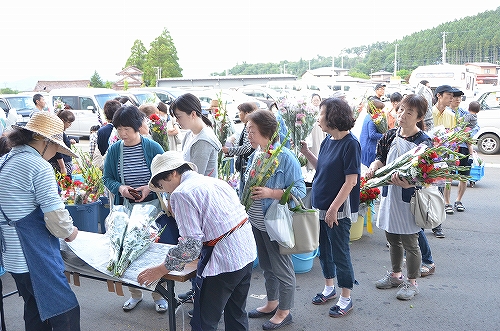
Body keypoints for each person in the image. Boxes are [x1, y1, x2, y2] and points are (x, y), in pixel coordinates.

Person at [138, 151, 257, 331]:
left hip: (223, 262)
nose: (166, 191)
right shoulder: (214, 182)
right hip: (246, 252)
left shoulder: (182, 193)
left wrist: (161, 270)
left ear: (173, 173)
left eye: (163, 185)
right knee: (236, 313)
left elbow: (190, 245)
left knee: (204, 322)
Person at [0, 112, 80, 330]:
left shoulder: (4, 161)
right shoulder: (38, 166)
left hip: (12, 258)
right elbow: (55, 216)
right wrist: (71, 232)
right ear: (45, 141)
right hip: (34, 256)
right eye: (55, 146)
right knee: (65, 310)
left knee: (35, 309)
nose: (55, 153)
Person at [102, 105, 169, 313]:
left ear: (138, 127)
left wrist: (148, 188)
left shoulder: (153, 148)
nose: (123, 134)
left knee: (154, 253)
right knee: (127, 251)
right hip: (128, 209)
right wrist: (121, 188)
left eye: (127, 129)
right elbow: (108, 178)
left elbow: (166, 176)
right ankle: (135, 294)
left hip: (153, 209)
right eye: (119, 129)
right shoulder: (115, 150)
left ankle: (160, 295)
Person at [366, 94, 433, 301]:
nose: (402, 115)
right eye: (401, 110)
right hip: (389, 194)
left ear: (419, 117)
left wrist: (410, 183)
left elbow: (427, 176)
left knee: (410, 243)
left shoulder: (424, 142)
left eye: (409, 112)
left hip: (408, 197)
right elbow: (380, 158)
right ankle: (395, 275)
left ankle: (412, 283)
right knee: (392, 238)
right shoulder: (389, 135)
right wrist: (374, 166)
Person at [244, 110, 306, 330]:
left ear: (267, 131)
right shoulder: (256, 154)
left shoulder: (285, 157)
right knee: (267, 266)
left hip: (276, 224)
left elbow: (299, 191)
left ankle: (284, 311)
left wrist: (271, 193)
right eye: (247, 130)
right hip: (258, 222)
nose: (248, 135)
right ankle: (272, 303)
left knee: (282, 269)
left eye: (252, 131)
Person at [299, 97, 360, 318]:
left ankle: (346, 297)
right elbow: (322, 168)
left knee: (340, 253)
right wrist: (307, 153)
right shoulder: (328, 140)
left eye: (321, 113)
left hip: (337, 209)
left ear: (333, 116)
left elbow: (350, 181)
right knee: (324, 249)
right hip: (322, 205)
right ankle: (329, 288)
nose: (318, 117)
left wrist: (334, 208)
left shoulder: (351, 144)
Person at [169, 93, 222, 178]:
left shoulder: (203, 141)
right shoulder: (189, 134)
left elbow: (194, 177)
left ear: (193, 114)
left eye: (179, 117)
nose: (177, 121)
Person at [446, 91, 479, 213]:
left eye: (460, 97)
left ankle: (458, 200)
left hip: (464, 147)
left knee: (464, 176)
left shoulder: (465, 113)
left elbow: (476, 127)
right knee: (448, 176)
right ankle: (447, 202)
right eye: (455, 97)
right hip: (449, 147)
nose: (458, 99)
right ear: (450, 98)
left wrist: (466, 134)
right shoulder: (446, 113)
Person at [431, 85, 456, 236]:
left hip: (442, 159)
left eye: (452, 95)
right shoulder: (428, 112)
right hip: (427, 158)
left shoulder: (451, 115)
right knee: (424, 191)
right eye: (448, 95)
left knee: (440, 193)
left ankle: (437, 225)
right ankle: (420, 224)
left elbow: (452, 138)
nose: (451, 98)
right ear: (439, 96)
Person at [222, 102, 257, 196]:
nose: (239, 115)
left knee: (245, 191)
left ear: (247, 113)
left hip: (246, 162)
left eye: (240, 112)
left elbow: (246, 147)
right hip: (245, 162)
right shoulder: (247, 125)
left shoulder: (249, 127)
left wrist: (229, 150)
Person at [48, 110, 75, 177]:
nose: (70, 125)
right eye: (69, 122)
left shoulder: (59, 131)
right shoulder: (58, 131)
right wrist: (63, 167)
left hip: (63, 164)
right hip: (60, 165)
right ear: (62, 120)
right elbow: (58, 151)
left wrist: (68, 141)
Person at [359, 99, 385, 167]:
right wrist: (384, 135)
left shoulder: (368, 116)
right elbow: (372, 135)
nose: (381, 111)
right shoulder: (372, 120)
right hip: (369, 147)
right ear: (375, 109)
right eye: (380, 109)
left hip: (364, 145)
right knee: (370, 168)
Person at [306, 94, 326, 160]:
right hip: (312, 131)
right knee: (313, 146)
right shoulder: (308, 110)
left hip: (320, 130)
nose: (316, 102)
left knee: (320, 145)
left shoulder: (323, 110)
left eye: (317, 100)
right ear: (311, 101)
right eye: (314, 100)